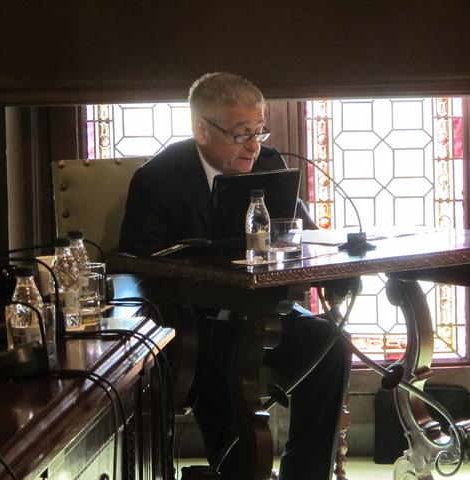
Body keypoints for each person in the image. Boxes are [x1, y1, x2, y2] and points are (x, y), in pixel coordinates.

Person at [119, 72, 351, 480]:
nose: (253, 145)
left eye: (259, 131)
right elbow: (137, 268)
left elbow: (305, 235)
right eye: (241, 134)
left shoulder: (269, 163)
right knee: (226, 375)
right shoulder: (158, 180)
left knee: (330, 343)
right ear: (202, 130)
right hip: (195, 325)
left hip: (264, 313)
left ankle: (306, 473)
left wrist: (336, 260)